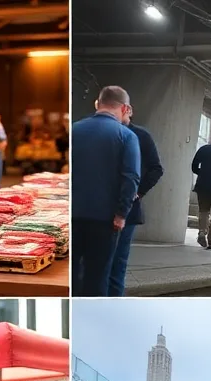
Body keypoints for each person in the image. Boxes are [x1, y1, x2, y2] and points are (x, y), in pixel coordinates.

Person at [70, 86, 139, 296]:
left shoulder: (73, 129)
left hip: (72, 216)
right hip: (105, 220)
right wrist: (121, 214)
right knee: (98, 275)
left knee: (73, 274)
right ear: (125, 108)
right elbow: (131, 178)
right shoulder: (126, 136)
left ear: (96, 104)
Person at [109, 117, 163, 297]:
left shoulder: (141, 136)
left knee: (117, 265)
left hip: (127, 209)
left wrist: (138, 192)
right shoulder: (104, 133)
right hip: (97, 208)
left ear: (127, 110)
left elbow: (156, 169)